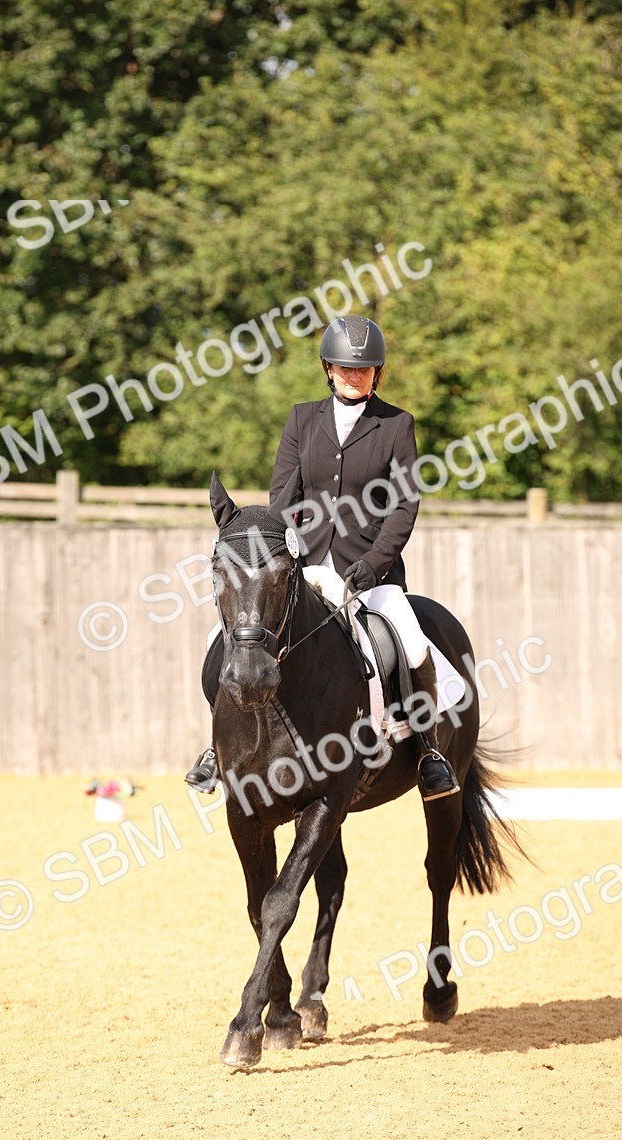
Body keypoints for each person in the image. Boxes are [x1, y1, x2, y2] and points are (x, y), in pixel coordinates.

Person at [185, 314, 459, 802]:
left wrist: (374, 564)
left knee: (411, 643)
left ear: (377, 374)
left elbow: (404, 505)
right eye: (345, 368)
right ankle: (216, 746)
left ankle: (427, 750)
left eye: (365, 369)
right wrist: (290, 554)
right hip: (305, 570)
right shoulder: (300, 418)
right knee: (224, 636)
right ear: (328, 369)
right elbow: (282, 494)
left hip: (370, 574)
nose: (355, 376)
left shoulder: (396, 425)